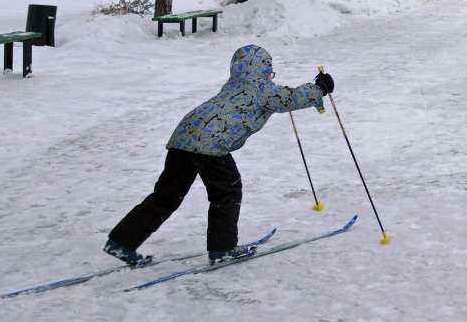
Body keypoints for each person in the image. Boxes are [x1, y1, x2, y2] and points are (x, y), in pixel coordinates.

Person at [106, 45, 334, 265]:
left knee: (166, 196)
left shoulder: (233, 85)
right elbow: (291, 98)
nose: (270, 76)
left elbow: (283, 96)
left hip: (183, 137)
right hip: (211, 144)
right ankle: (222, 249)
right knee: (227, 191)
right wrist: (320, 88)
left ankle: (121, 241)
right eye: (269, 71)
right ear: (263, 69)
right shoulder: (262, 89)